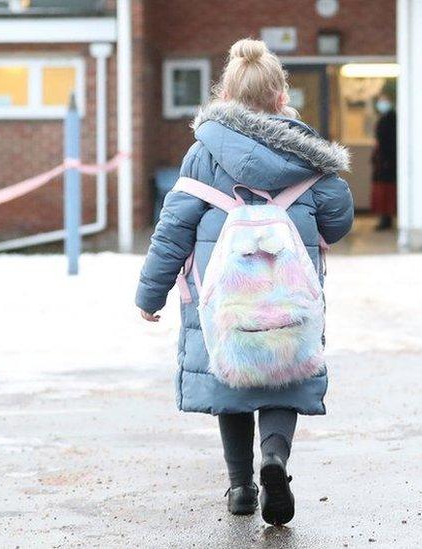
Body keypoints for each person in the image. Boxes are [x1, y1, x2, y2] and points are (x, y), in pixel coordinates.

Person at [135, 39, 353, 525]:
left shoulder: (202, 154)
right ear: (281, 96)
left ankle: (239, 486)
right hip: (288, 295)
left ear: (226, 96)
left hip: (223, 297)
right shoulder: (311, 156)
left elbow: (172, 230)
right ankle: (274, 457)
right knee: (286, 370)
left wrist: (151, 293)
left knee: (230, 378)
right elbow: (338, 223)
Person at [370, 90, 397, 231]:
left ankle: (386, 218)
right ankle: (384, 217)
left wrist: (386, 159)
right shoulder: (384, 117)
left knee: (387, 191)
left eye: (384, 100)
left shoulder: (391, 118)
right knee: (381, 191)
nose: (382, 103)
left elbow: (389, 141)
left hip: (388, 162)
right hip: (382, 161)